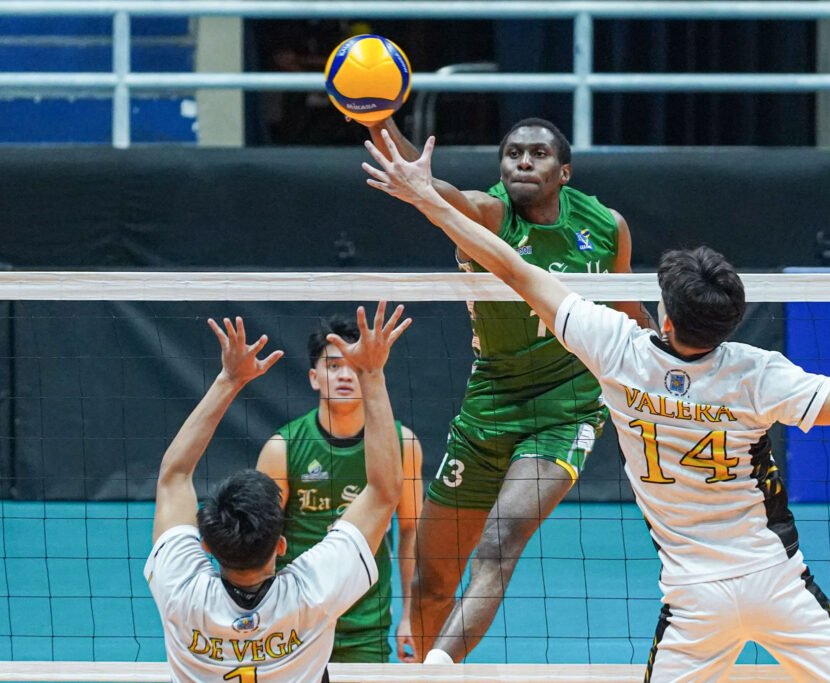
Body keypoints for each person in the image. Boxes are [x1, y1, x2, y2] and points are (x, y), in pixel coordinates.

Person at [361, 131, 830, 679]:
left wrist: (426, 197)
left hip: (695, 601)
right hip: (778, 583)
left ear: (664, 318)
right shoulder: (757, 375)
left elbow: (511, 267)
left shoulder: (616, 350)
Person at [361, 115, 657, 660]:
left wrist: (669, 360)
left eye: (538, 154)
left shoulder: (606, 226)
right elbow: (436, 192)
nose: (523, 161)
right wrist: (380, 120)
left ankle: (436, 671)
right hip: (489, 407)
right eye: (513, 153)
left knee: (499, 542)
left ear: (564, 172)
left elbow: (628, 306)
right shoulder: (489, 215)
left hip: (567, 410)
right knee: (431, 580)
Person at [146, 304, 411, 682]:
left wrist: (227, 380)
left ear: (206, 546)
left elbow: (173, 476)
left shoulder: (182, 593)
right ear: (281, 544)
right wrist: (372, 373)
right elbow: (384, 492)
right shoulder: (311, 595)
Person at [256, 316, 424, 663]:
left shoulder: (402, 444)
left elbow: (411, 530)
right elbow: (260, 541)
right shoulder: (282, 448)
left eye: (355, 366)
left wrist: (411, 614)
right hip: (294, 622)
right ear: (314, 378)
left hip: (366, 626)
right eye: (333, 366)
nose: (345, 375)